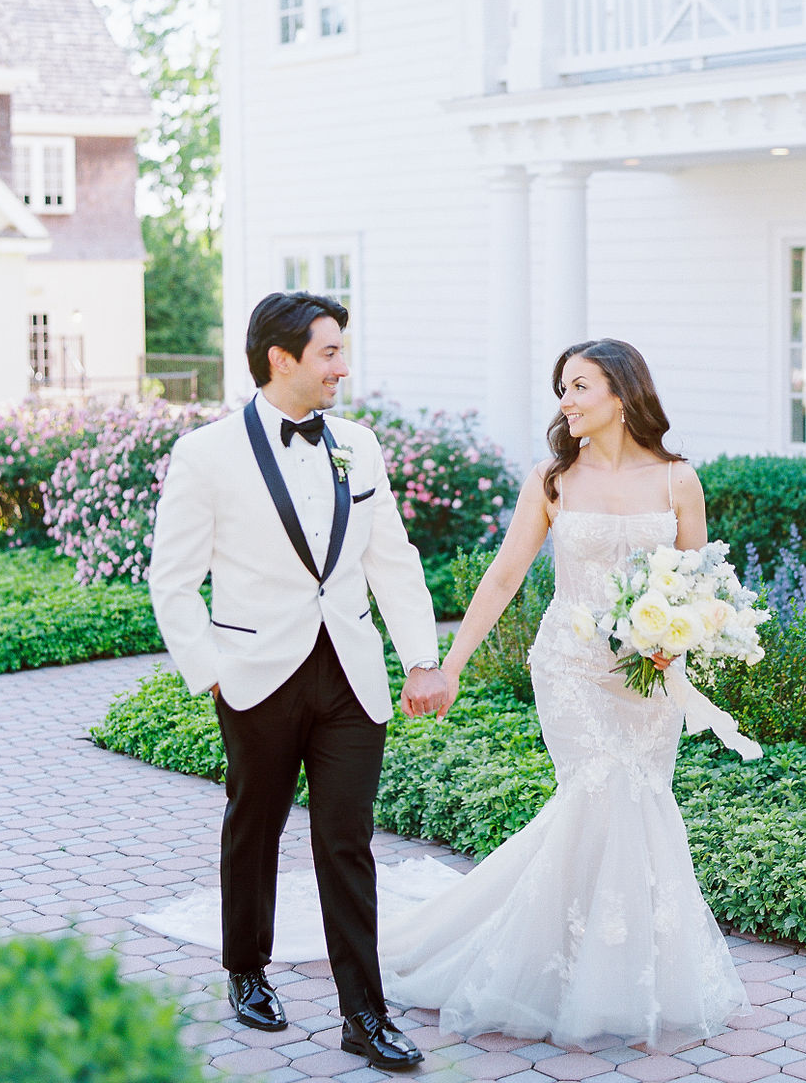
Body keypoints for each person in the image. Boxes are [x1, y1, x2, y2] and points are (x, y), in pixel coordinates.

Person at [377, 337, 754, 1048]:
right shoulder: (553, 479)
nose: (566, 401)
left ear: (621, 392)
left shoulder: (678, 481)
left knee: (636, 807)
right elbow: (504, 575)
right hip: (571, 670)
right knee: (603, 788)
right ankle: (541, 970)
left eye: (579, 386)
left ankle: (614, 974)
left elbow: (703, 585)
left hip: (649, 679)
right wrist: (450, 663)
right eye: (563, 388)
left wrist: (682, 640)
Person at [148, 291, 447, 1070]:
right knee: (256, 827)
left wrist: (420, 655)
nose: (343, 367)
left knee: (345, 840)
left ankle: (364, 1013)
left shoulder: (360, 444)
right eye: (329, 353)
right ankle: (246, 970)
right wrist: (210, 672)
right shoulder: (205, 454)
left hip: (350, 673)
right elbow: (171, 581)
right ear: (282, 359)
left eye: (343, 350)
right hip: (256, 675)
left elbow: (393, 556)